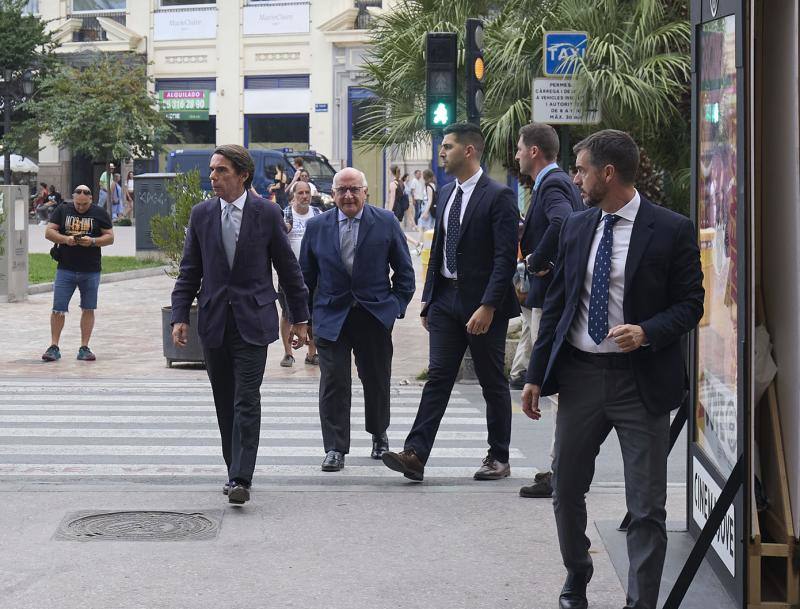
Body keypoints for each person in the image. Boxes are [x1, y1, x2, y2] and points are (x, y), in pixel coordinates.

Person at [521, 130, 704, 609]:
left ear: (608, 173)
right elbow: (559, 305)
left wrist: (647, 331)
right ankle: (577, 575)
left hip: (640, 381)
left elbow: (691, 304)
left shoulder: (671, 229)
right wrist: (536, 375)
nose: (574, 177)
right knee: (564, 488)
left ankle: (640, 603)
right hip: (581, 376)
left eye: (580, 169)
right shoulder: (577, 227)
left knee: (646, 508)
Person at [170, 144, 309, 506]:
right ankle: (234, 468)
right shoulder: (201, 214)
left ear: (242, 175)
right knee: (224, 400)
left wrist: (300, 318)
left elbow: (288, 269)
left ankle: (241, 476)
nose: (213, 177)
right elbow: (190, 270)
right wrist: (180, 315)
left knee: (247, 397)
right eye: (212, 171)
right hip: (215, 321)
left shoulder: (266, 213)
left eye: (221, 171)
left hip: (253, 319)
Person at [381, 122, 519, 482]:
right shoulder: (446, 192)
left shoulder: (499, 196)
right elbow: (439, 247)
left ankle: (498, 456)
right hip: (446, 300)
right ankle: (415, 454)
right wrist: (428, 300)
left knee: (492, 380)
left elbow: (505, 258)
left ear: (469, 151)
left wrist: (489, 306)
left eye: (447, 146)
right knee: (439, 376)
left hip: (482, 305)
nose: (441, 152)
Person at [299, 167, 415, 472]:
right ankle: (335, 448)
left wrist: (394, 308)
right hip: (330, 316)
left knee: (376, 378)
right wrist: (303, 318)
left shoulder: (386, 222)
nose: (348, 196)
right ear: (332, 194)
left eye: (354, 190)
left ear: (365, 192)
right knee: (334, 381)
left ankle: (379, 433)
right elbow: (304, 278)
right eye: (342, 190)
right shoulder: (317, 227)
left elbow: (405, 274)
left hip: (373, 316)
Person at [512, 122, 585, 500]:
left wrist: (538, 259)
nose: (517, 155)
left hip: (551, 296)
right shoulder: (552, 184)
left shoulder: (553, 184)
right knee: (560, 391)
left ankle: (561, 471)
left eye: (521, 149)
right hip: (554, 294)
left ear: (535, 151)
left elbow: (561, 222)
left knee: (557, 390)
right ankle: (561, 467)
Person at [41, 185, 114, 363]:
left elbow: (110, 237)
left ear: (91, 199)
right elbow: (49, 231)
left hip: (91, 269)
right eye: (78, 203)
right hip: (65, 268)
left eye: (84, 204)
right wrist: (66, 239)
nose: (80, 207)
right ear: (74, 198)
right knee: (58, 308)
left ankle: (84, 347)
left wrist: (93, 241)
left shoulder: (99, 213)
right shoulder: (63, 209)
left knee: (88, 308)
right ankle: (54, 346)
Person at [279, 180, 322, 367]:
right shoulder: (285, 213)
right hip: (289, 274)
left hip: (313, 274)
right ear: (293, 195)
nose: (304, 196)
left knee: (312, 313)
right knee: (288, 314)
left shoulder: (317, 214)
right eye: (300, 193)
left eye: (307, 193)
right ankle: (288, 353)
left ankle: (312, 353)